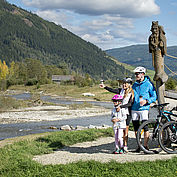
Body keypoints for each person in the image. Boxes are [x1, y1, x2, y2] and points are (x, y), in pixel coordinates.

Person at [100, 77, 134, 152]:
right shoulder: (120, 91)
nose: (124, 85)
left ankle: (125, 146)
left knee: (125, 130)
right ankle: (118, 146)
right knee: (118, 130)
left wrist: (120, 106)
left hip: (127, 112)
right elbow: (112, 90)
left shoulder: (131, 92)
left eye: (126, 83)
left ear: (129, 84)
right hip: (119, 112)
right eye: (123, 83)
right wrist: (105, 87)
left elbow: (130, 103)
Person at [131, 66, 157, 152]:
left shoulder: (149, 84)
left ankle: (145, 146)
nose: (136, 75)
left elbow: (154, 96)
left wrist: (147, 101)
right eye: (135, 74)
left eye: (137, 74)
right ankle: (139, 145)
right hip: (134, 108)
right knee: (136, 128)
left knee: (145, 127)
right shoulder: (134, 85)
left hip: (144, 109)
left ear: (142, 74)